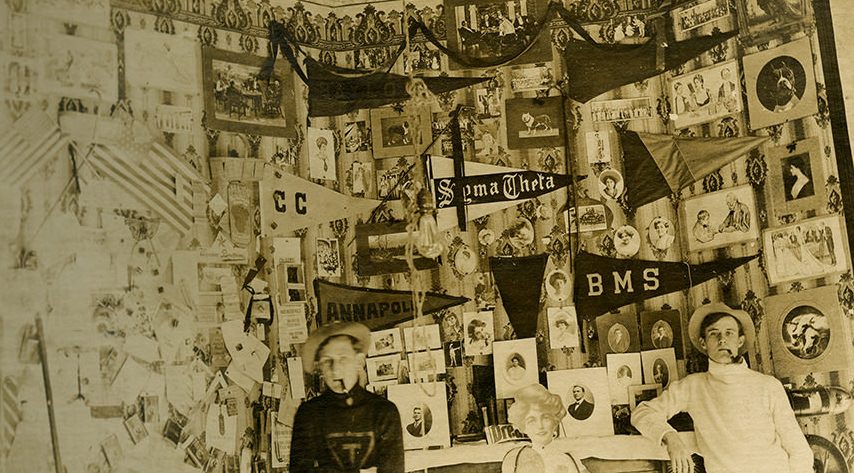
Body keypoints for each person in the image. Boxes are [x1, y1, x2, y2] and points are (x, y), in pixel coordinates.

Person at [631, 303, 812, 473]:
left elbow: (798, 449)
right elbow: (643, 412)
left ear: (740, 341)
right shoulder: (694, 386)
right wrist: (670, 437)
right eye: (713, 334)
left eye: (729, 333)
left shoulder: (768, 385)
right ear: (703, 343)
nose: (722, 340)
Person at [291, 322, 405, 473]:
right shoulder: (309, 412)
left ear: (359, 361)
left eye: (343, 358)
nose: (335, 369)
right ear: (319, 367)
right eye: (327, 361)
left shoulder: (383, 411)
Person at [502, 384, 590, 473]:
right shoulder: (514, 460)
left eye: (545, 418)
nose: (540, 426)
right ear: (523, 427)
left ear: (555, 421)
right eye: (531, 421)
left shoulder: (569, 458)